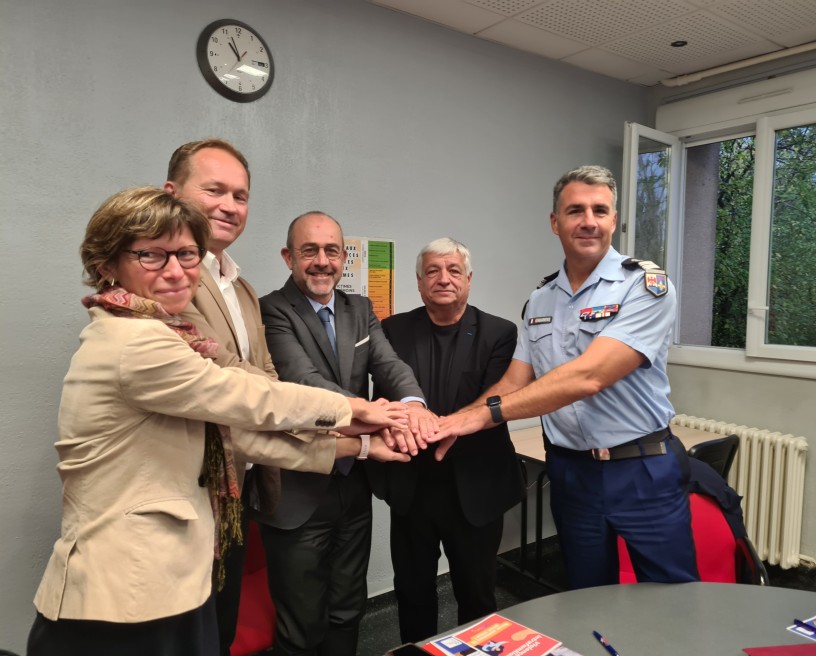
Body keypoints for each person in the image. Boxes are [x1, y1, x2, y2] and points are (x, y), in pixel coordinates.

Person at [27, 187, 410, 656]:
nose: (176, 271)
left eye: (187, 254)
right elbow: (247, 396)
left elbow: (234, 438)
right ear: (107, 265)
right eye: (151, 255)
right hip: (125, 595)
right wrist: (359, 410)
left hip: (172, 580)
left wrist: (363, 446)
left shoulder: (172, 333)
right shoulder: (135, 341)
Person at [433, 165, 699, 589]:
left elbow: (588, 376)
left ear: (614, 220)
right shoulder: (540, 299)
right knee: (586, 596)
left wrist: (484, 416)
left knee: (669, 596)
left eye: (600, 210)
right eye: (576, 210)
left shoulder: (645, 286)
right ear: (555, 222)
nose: (588, 221)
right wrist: (454, 421)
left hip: (642, 467)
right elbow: (514, 382)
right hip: (571, 473)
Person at [256, 211, 437, 656]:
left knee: (347, 611)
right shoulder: (271, 310)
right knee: (301, 625)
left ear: (343, 257)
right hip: (297, 491)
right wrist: (381, 417)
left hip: (353, 486)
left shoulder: (360, 308)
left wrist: (413, 406)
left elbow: (389, 364)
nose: (322, 261)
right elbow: (304, 383)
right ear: (288, 257)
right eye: (309, 251)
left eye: (331, 251)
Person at [372, 238, 525, 644]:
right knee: (412, 593)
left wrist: (441, 425)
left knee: (476, 595)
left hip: (475, 489)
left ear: (468, 279)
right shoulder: (393, 330)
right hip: (412, 488)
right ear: (419, 282)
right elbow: (384, 396)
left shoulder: (499, 333)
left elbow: (498, 401)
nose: (444, 279)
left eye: (454, 270)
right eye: (433, 271)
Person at [163, 138, 279, 655]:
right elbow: (225, 374)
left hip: (235, 487)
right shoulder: (167, 281)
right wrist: (342, 417)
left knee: (222, 627)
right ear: (172, 193)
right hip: (186, 496)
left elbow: (265, 369)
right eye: (214, 190)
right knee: (186, 637)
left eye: (240, 195)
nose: (230, 206)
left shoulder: (240, 286)